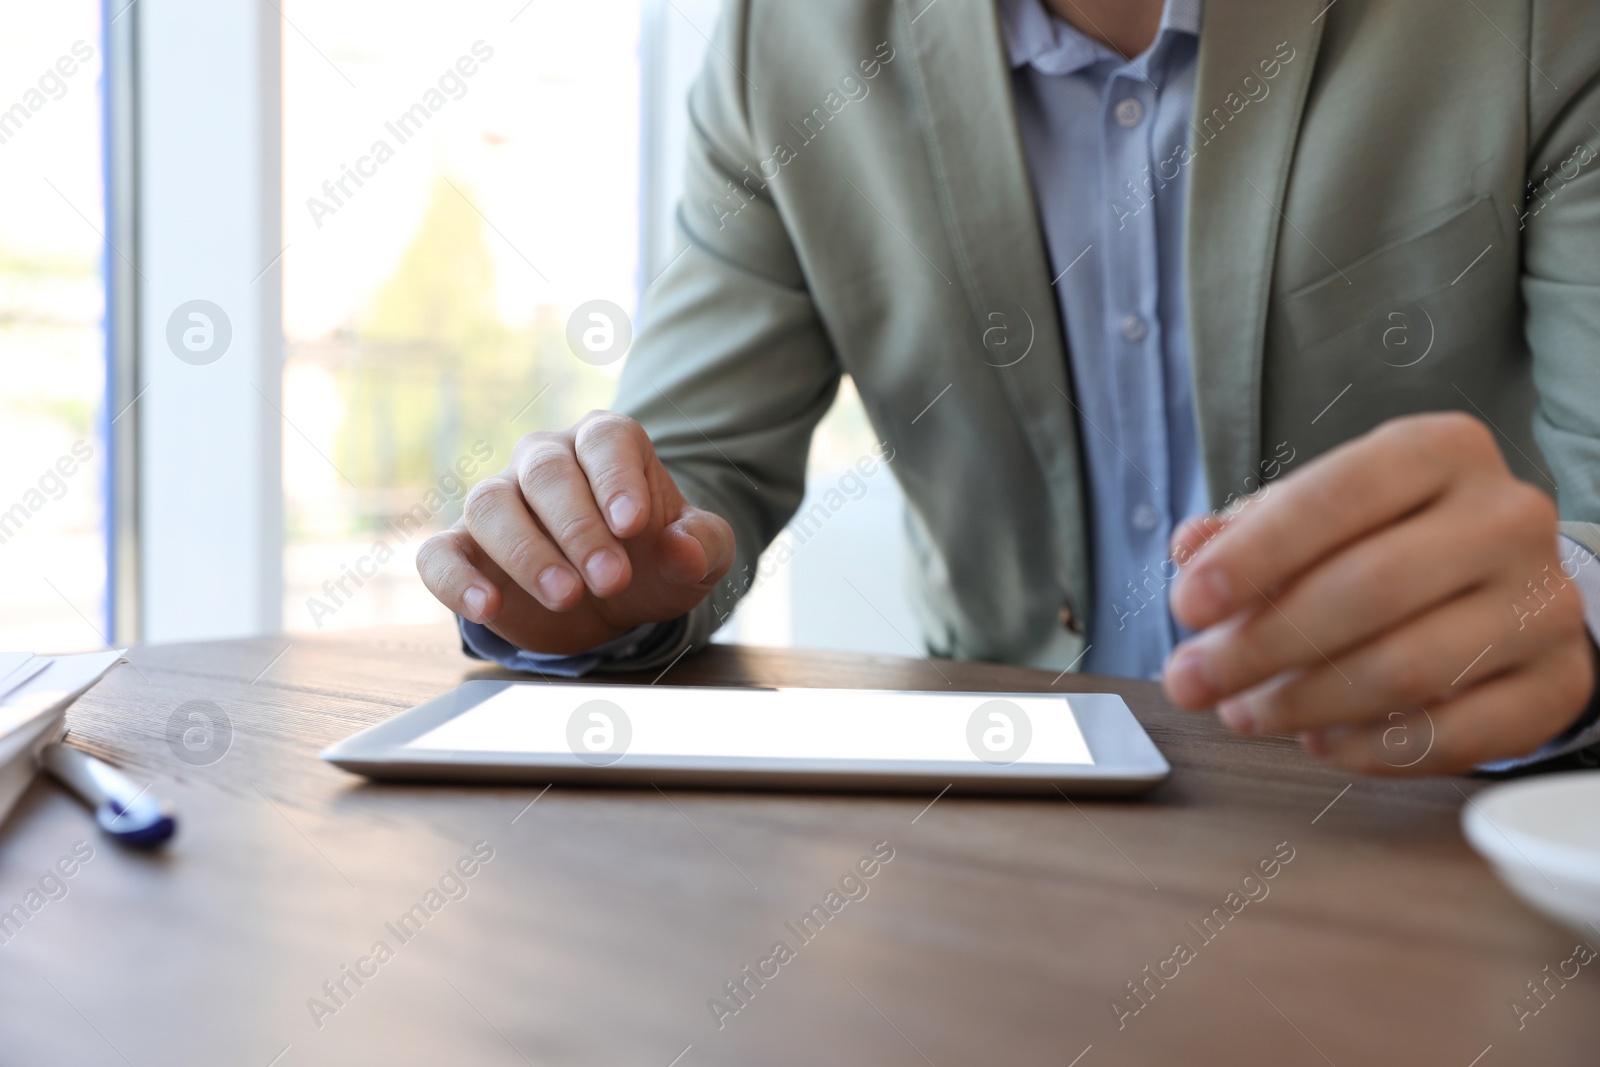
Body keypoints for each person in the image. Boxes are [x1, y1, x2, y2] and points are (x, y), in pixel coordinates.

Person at [416, 0, 1600, 775]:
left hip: (1411, 815)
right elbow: (684, 477)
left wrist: (1563, 609)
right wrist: (589, 567)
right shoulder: (784, 43)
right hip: (982, 821)